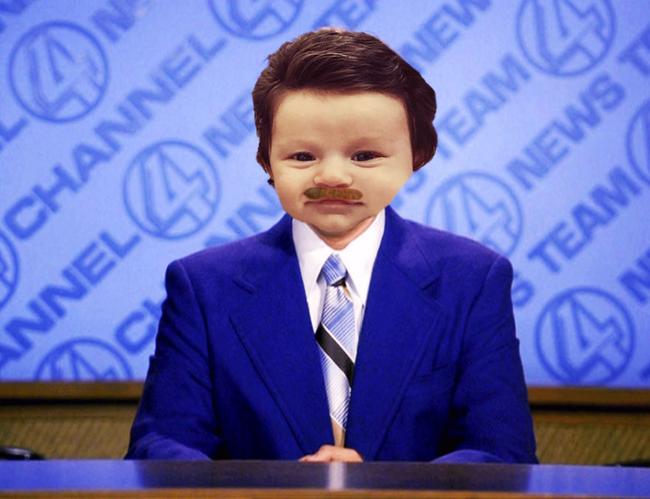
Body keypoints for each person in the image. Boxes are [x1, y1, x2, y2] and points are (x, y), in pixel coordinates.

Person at [126, 28, 537, 463]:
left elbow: (502, 454)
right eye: (303, 157)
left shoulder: (472, 279)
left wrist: (385, 489)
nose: (333, 177)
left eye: (365, 156)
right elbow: (160, 448)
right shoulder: (203, 286)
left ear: (416, 156)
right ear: (266, 160)